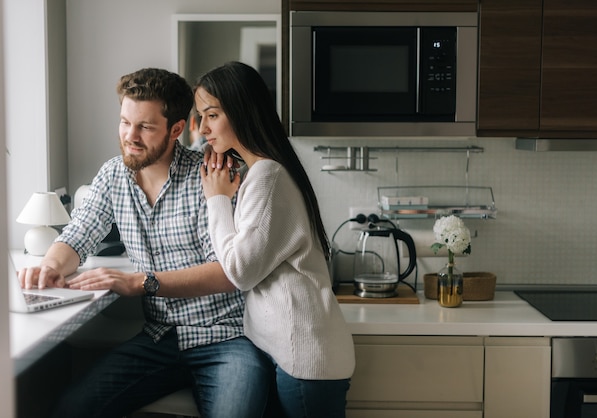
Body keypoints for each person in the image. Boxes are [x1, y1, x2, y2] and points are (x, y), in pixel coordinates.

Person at [18, 67, 272, 418]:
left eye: (145, 127)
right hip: (158, 339)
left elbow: (228, 271)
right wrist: (48, 266)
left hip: (225, 339)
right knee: (70, 408)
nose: (129, 136)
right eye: (125, 122)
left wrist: (140, 282)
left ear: (176, 130)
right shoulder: (112, 176)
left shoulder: (212, 175)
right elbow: (77, 235)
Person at [196, 61, 356, 418]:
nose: (203, 127)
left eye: (211, 114)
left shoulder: (267, 175)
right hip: (301, 357)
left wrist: (217, 199)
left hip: (305, 361)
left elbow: (240, 271)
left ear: (240, 110)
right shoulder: (265, 171)